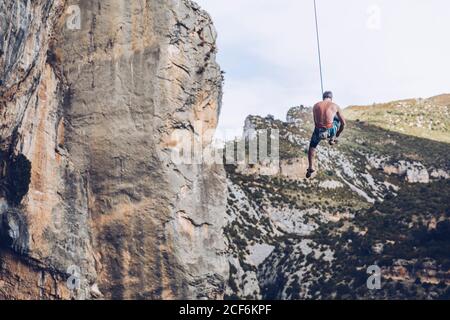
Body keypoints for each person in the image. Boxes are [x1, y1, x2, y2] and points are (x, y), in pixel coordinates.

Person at [306, 91, 346, 178]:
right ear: (331, 98)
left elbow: (315, 120)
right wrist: (338, 133)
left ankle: (311, 166)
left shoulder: (315, 106)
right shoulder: (335, 106)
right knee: (337, 120)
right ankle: (332, 138)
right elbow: (343, 123)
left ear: (323, 97)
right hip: (330, 130)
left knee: (312, 146)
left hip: (318, 131)